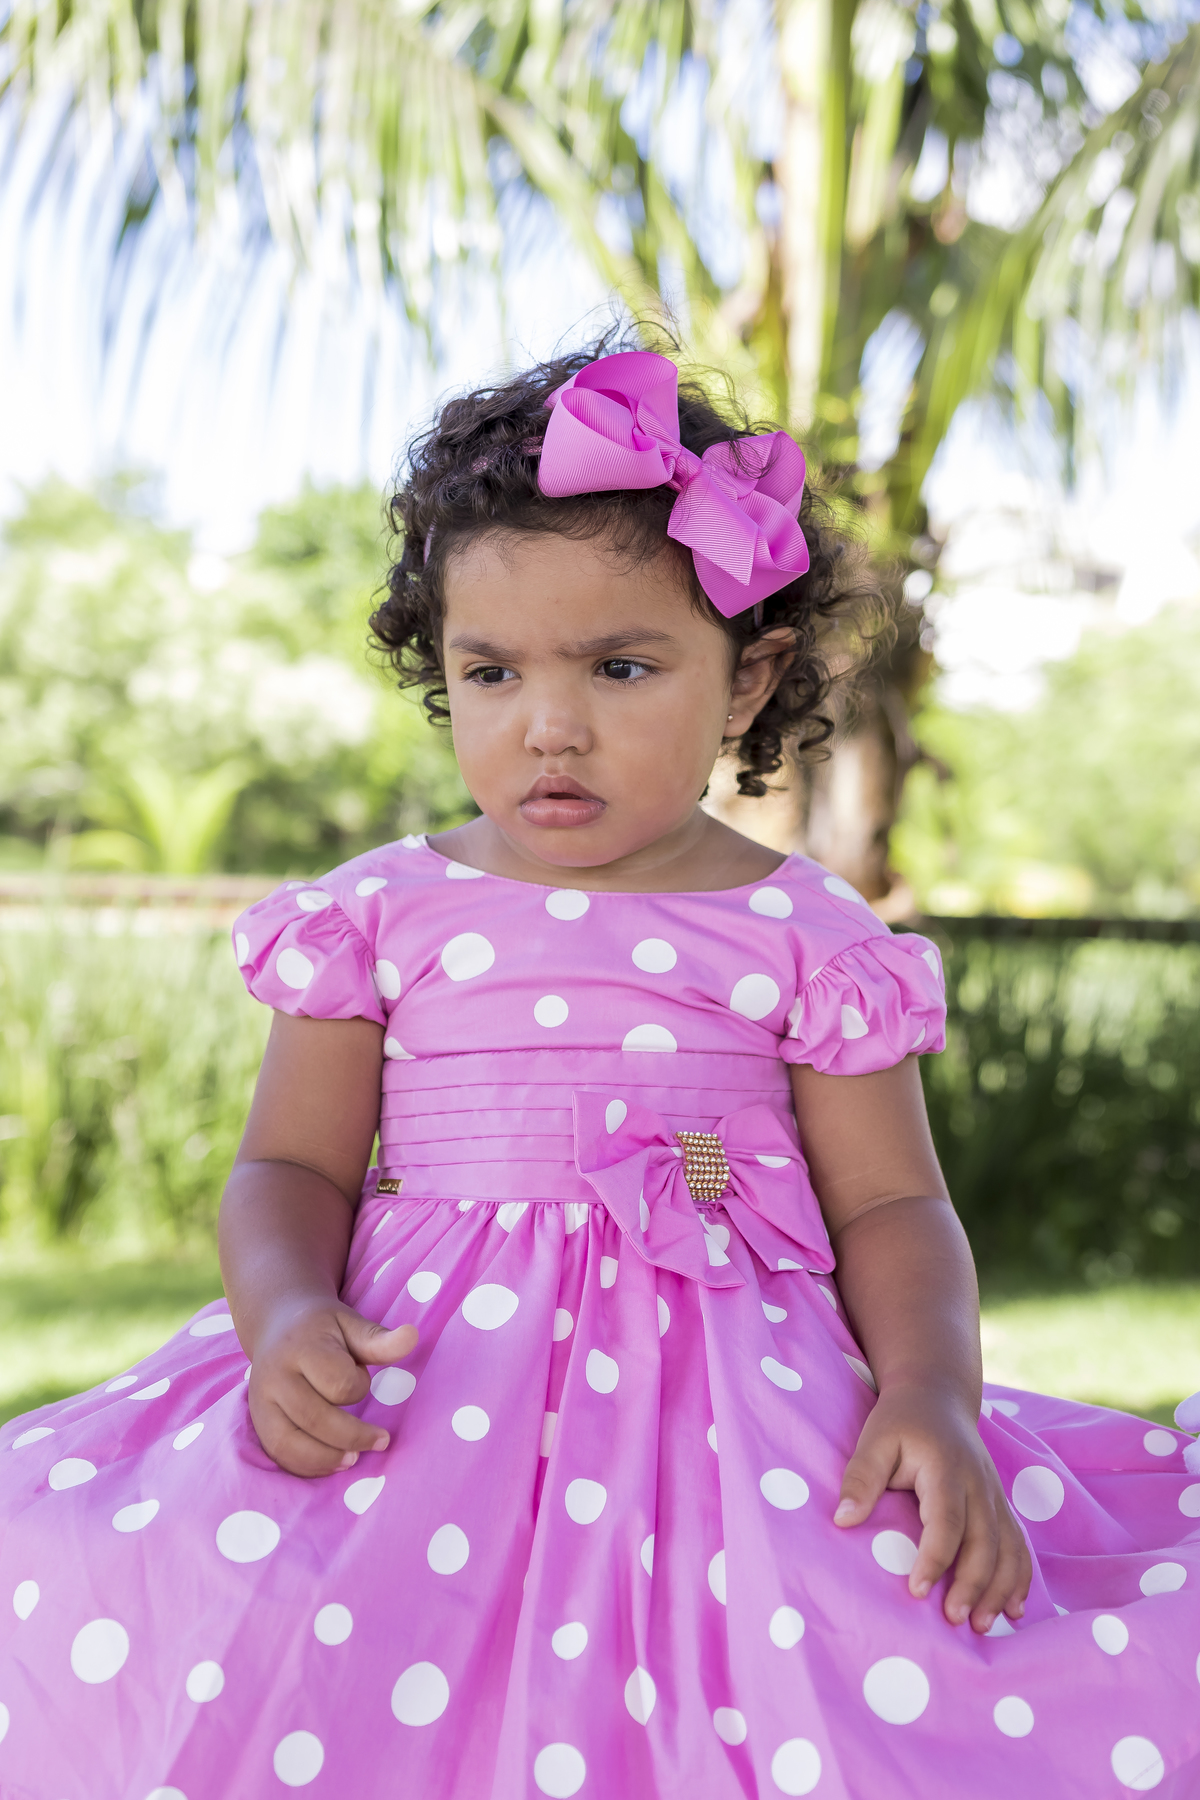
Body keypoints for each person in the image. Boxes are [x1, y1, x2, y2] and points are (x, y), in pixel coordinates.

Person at [1, 343, 1197, 1800]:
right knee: (289, 1636)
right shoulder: (376, 917)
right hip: (420, 1391)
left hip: (738, 1415)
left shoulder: (806, 934)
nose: (548, 724)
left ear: (748, 677)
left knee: (822, 1648)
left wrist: (933, 1394)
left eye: (621, 669)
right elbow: (290, 1165)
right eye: (491, 672)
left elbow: (892, 1204)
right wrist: (286, 1314)